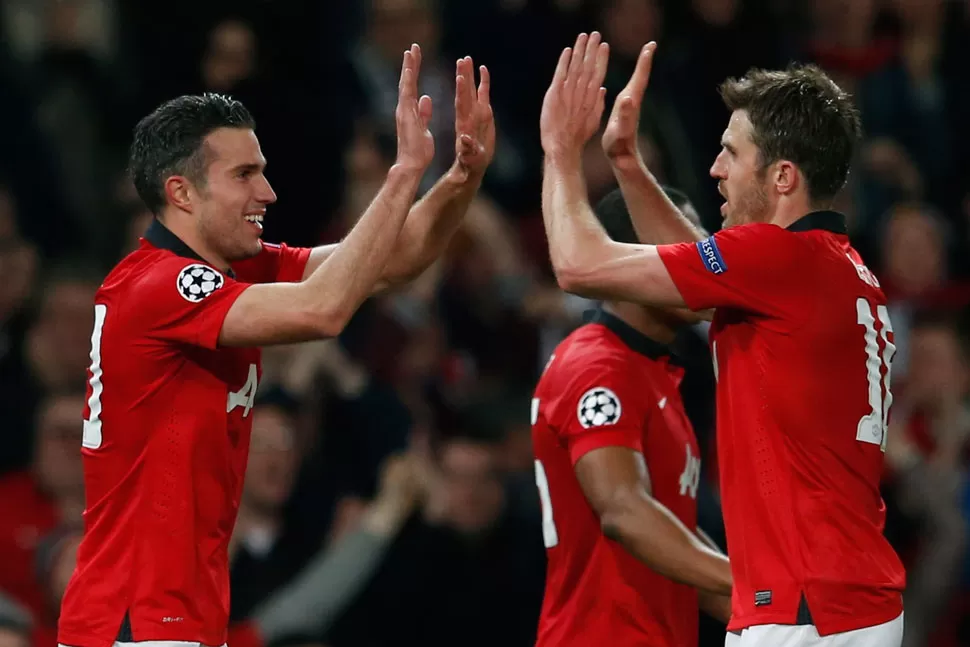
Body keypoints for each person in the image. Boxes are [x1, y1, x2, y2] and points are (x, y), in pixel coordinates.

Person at [57, 45, 495, 647]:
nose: (268, 193)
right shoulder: (158, 283)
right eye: (243, 175)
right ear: (181, 193)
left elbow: (394, 261)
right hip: (137, 619)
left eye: (261, 169)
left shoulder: (234, 273)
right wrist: (398, 176)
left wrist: (460, 176)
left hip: (173, 616)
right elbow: (325, 309)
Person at [539, 33, 905, 646]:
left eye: (731, 153)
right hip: (849, 599)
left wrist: (559, 151)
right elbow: (700, 276)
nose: (715, 169)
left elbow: (578, 265)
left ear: (783, 177)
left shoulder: (778, 259)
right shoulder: (839, 269)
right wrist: (629, 166)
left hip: (800, 611)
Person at [531, 185, 731, 647]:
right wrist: (756, 590)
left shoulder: (654, 373)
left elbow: (673, 542)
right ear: (631, 262)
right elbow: (624, 512)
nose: (702, 265)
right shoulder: (597, 366)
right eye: (683, 247)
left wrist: (780, 620)